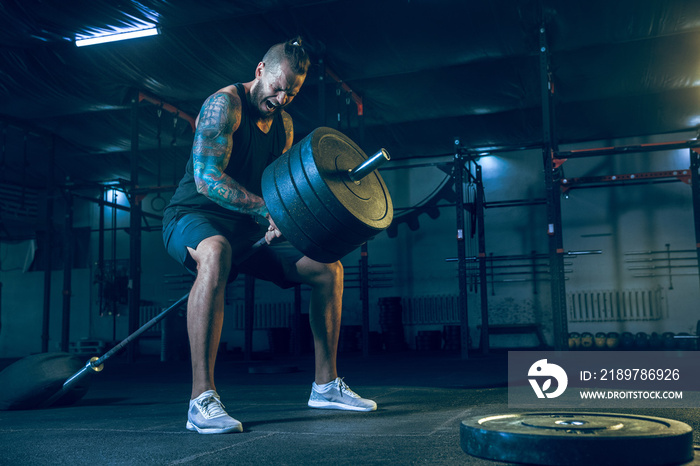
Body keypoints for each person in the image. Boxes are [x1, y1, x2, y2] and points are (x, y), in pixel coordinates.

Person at [162, 37, 377, 434]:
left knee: (329, 269)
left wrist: (285, 219)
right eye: (277, 87)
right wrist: (267, 211)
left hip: (246, 229)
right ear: (260, 71)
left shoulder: (285, 125)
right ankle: (200, 399)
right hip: (194, 216)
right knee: (216, 252)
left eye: (291, 93)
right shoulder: (223, 105)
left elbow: (278, 188)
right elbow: (207, 179)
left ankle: (326, 386)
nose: (281, 98)